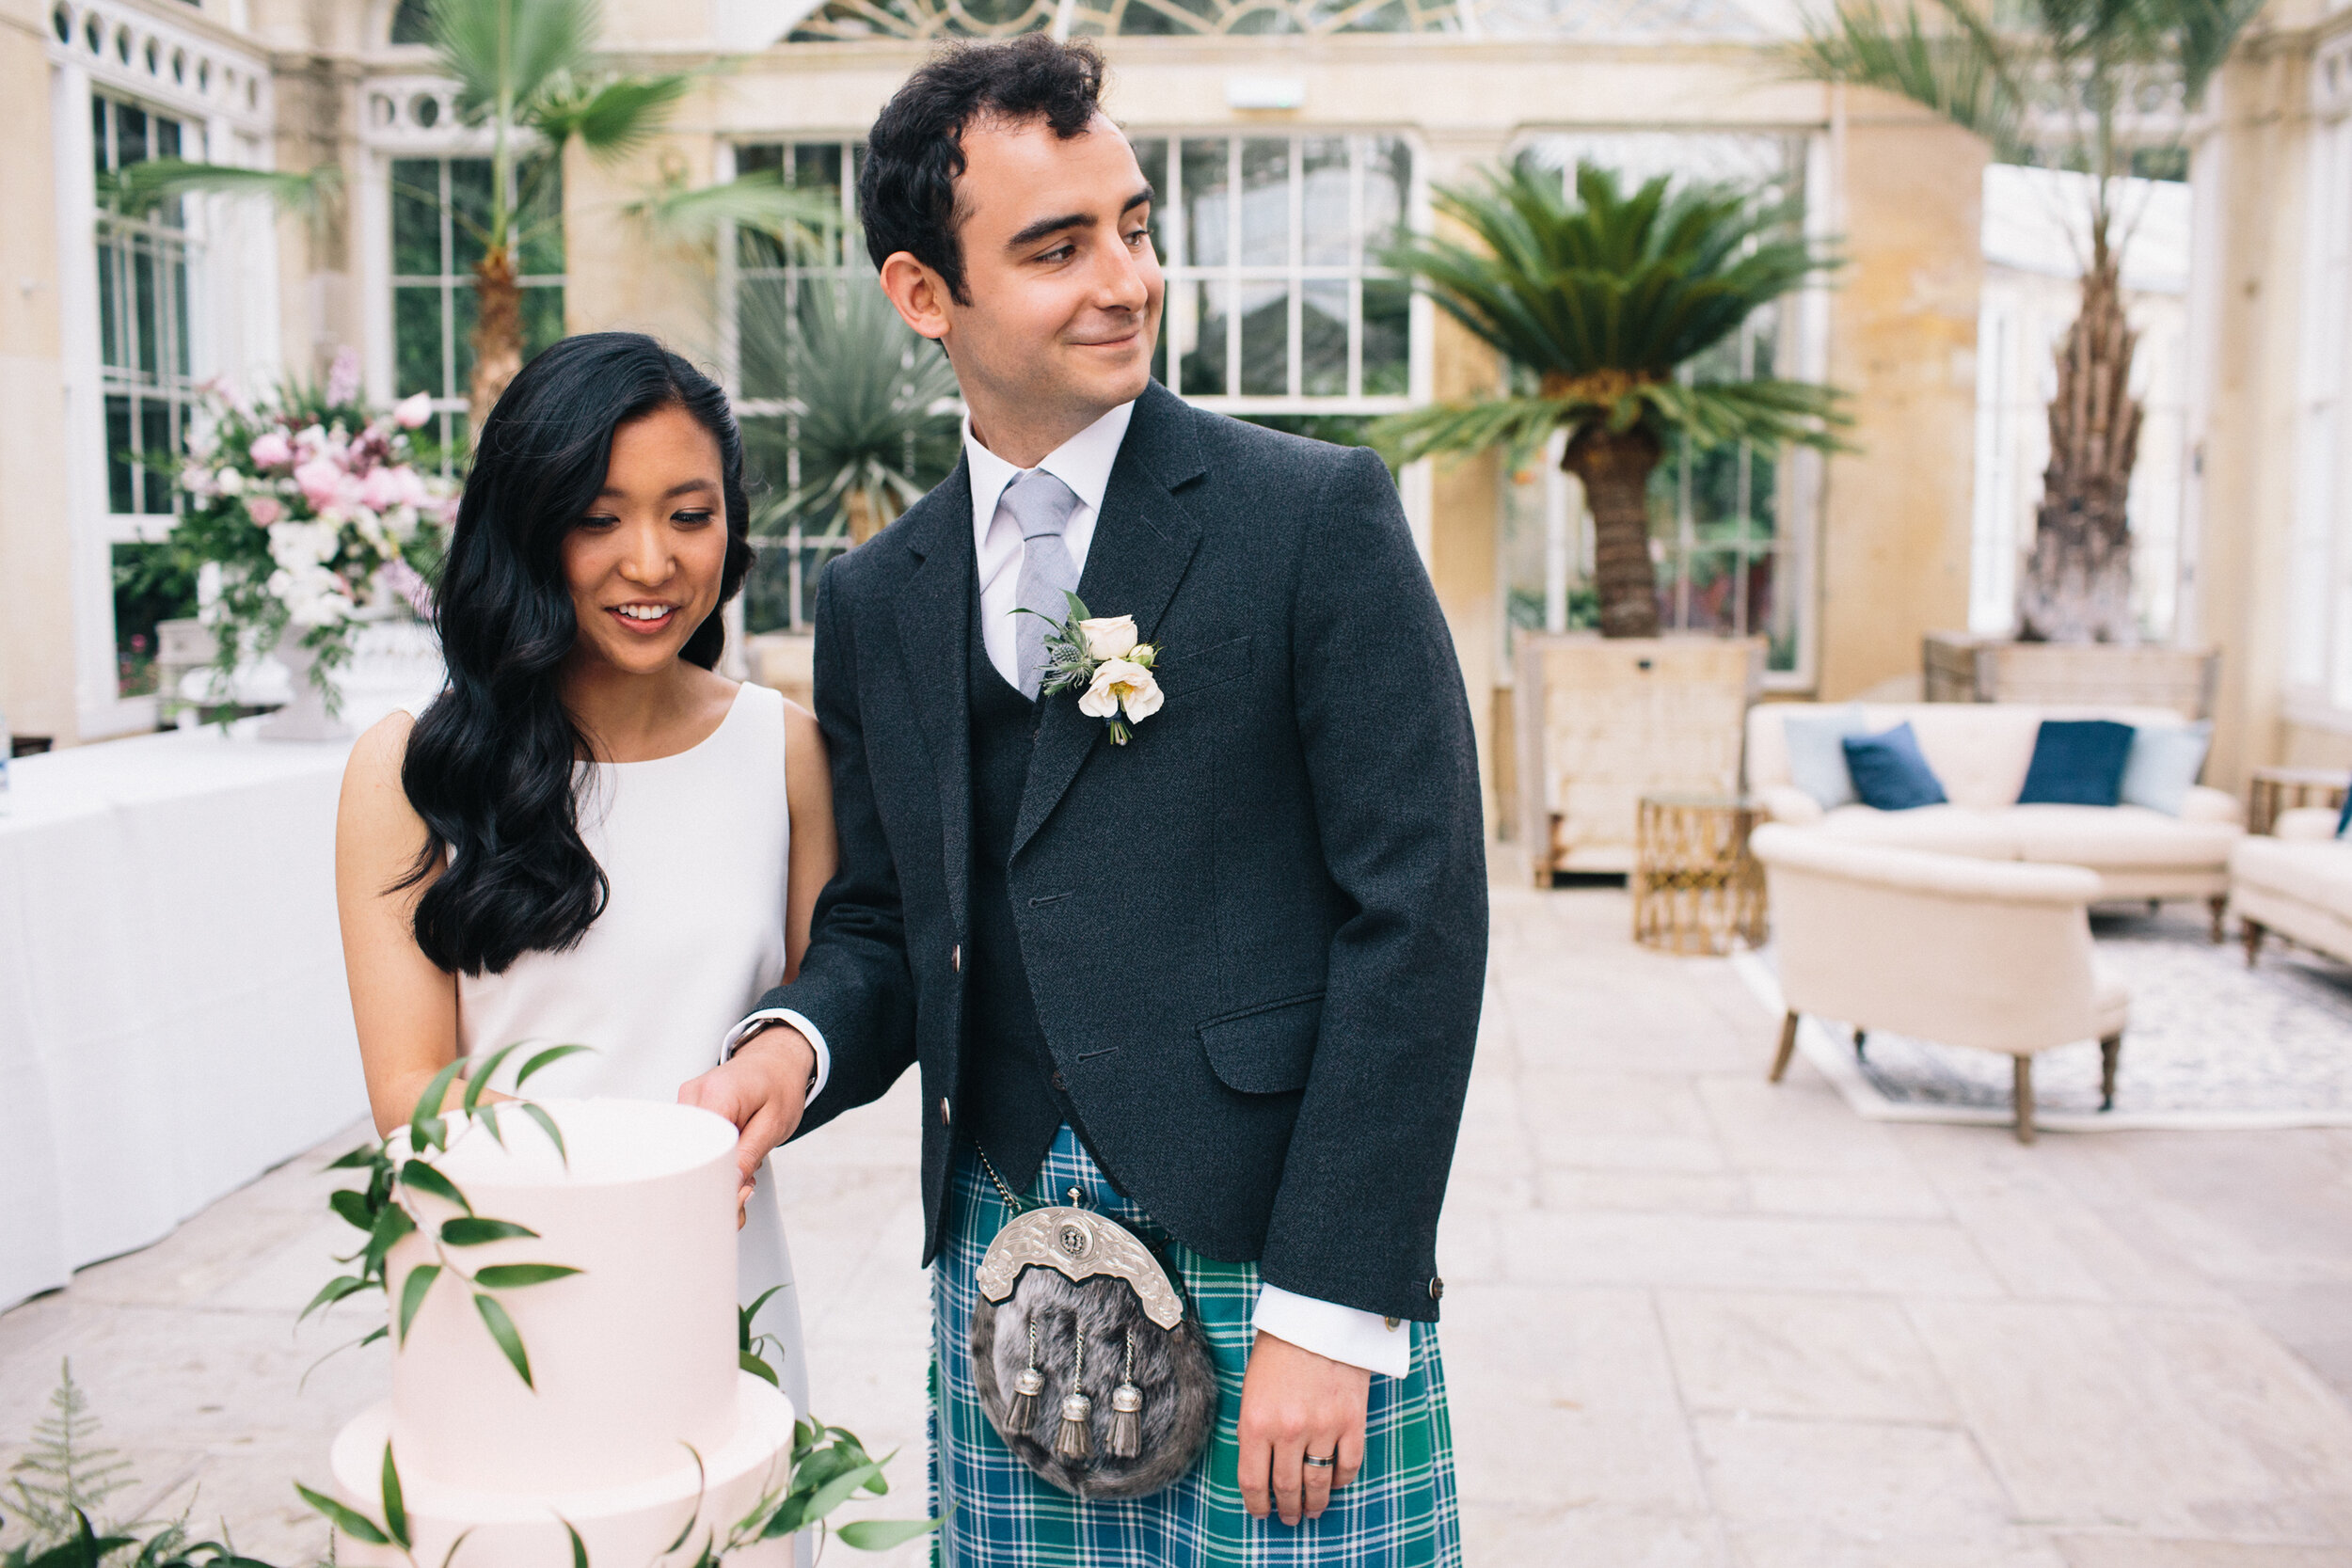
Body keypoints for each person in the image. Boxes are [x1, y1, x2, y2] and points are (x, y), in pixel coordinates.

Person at [686, 35, 1486, 1566]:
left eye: (1135, 224)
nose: (1125, 278)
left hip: (1275, 1254)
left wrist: (1336, 1303)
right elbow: (885, 918)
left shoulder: (1316, 519)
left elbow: (1420, 919)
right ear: (925, 294)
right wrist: (793, 1043)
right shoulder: (876, 595)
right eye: (1058, 247)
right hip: (1003, 1260)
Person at [334, 333, 834, 1464]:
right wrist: (629, 1190)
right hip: (509, 1286)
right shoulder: (411, 769)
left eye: (688, 514)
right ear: (526, 525)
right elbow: (409, 1093)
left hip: (728, 1285)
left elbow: (821, 1017)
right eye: (598, 517)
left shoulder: (785, 751)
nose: (650, 561)